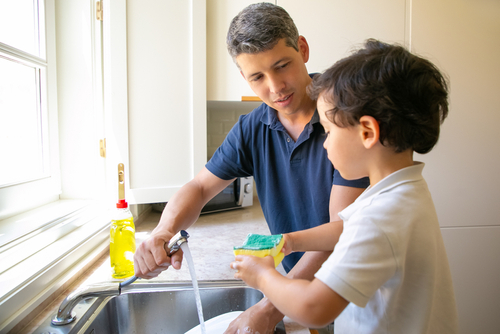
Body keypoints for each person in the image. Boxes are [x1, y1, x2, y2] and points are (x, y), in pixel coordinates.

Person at [134, 3, 368, 333]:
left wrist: (269, 309)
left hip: (347, 290)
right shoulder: (252, 128)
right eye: (257, 76)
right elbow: (200, 187)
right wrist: (163, 231)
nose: (275, 87)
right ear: (244, 77)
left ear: (302, 49)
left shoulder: (342, 118)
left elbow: (338, 233)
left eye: (282, 65)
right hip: (295, 288)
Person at [231, 39, 459, 333]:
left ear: (366, 132)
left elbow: (314, 308)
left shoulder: (379, 218)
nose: (324, 144)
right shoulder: (401, 193)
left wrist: (263, 277)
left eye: (327, 131)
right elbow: (345, 229)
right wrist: (291, 241)